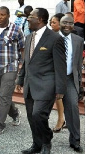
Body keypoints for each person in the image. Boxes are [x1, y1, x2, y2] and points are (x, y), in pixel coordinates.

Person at [16, 8, 67, 154]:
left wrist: (60, 89)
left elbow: (60, 66)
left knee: (39, 114)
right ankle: (36, 144)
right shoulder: (29, 37)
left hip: (46, 85)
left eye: (31, 16)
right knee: (32, 117)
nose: (27, 19)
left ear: (39, 19)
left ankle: (46, 141)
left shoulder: (55, 38)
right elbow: (27, 61)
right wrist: (20, 79)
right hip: (30, 85)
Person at [0, 6, 24, 136]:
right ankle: (15, 113)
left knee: (4, 96)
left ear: (8, 16)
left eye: (2, 14)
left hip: (11, 67)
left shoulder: (16, 30)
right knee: (2, 95)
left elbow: (23, 49)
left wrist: (22, 67)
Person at [59, 15, 84, 153]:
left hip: (69, 79)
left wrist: (79, 84)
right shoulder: (51, 38)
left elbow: (78, 63)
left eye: (70, 23)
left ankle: (75, 141)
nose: (67, 25)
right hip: (51, 78)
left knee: (73, 107)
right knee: (40, 110)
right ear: (59, 24)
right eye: (64, 22)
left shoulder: (78, 40)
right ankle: (41, 141)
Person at [49, 13, 68, 134]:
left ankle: (63, 120)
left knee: (61, 97)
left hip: (66, 71)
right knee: (58, 96)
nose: (51, 24)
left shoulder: (69, 36)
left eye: (54, 22)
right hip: (56, 70)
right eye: (50, 22)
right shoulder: (52, 36)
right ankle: (61, 119)